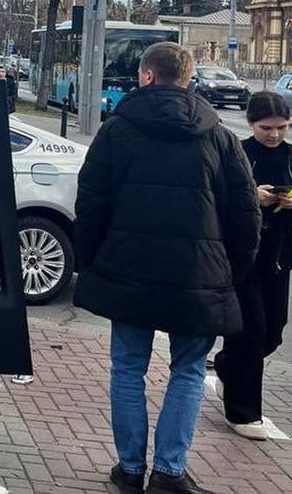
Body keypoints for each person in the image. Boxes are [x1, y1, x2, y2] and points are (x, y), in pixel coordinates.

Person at [74, 42, 260, 494]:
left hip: (128, 270)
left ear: (147, 77)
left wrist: (92, 261)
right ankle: (170, 473)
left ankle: (130, 469)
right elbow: (246, 214)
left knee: (127, 367)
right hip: (200, 273)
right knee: (189, 371)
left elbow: (91, 202)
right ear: (188, 79)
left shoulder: (117, 131)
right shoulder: (220, 136)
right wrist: (230, 270)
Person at [213, 91, 292, 440]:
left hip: (279, 255)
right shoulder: (239, 153)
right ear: (251, 124)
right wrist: (252, 196)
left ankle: (228, 367)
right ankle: (243, 412)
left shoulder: (290, 155)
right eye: (266, 128)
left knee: (274, 330)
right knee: (253, 328)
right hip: (244, 255)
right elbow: (218, 199)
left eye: (282, 127)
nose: (274, 134)